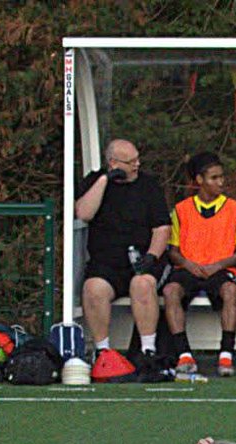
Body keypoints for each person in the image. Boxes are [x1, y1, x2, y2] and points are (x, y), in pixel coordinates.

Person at [73, 139, 171, 376]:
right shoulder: (96, 181)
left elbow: (162, 228)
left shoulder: (149, 186)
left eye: (138, 159)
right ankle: (103, 353)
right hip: (106, 263)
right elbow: (84, 212)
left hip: (142, 261)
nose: (137, 165)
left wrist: (152, 256)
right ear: (114, 163)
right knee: (93, 288)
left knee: (142, 284)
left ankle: (148, 352)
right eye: (130, 162)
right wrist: (105, 180)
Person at [163, 152, 236, 379]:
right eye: (214, 178)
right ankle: (184, 354)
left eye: (222, 177)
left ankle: (226, 354)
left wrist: (217, 265)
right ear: (199, 180)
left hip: (220, 268)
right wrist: (188, 264)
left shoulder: (235, 209)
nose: (220, 182)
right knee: (171, 290)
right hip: (189, 268)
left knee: (230, 290)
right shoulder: (181, 210)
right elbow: (173, 251)